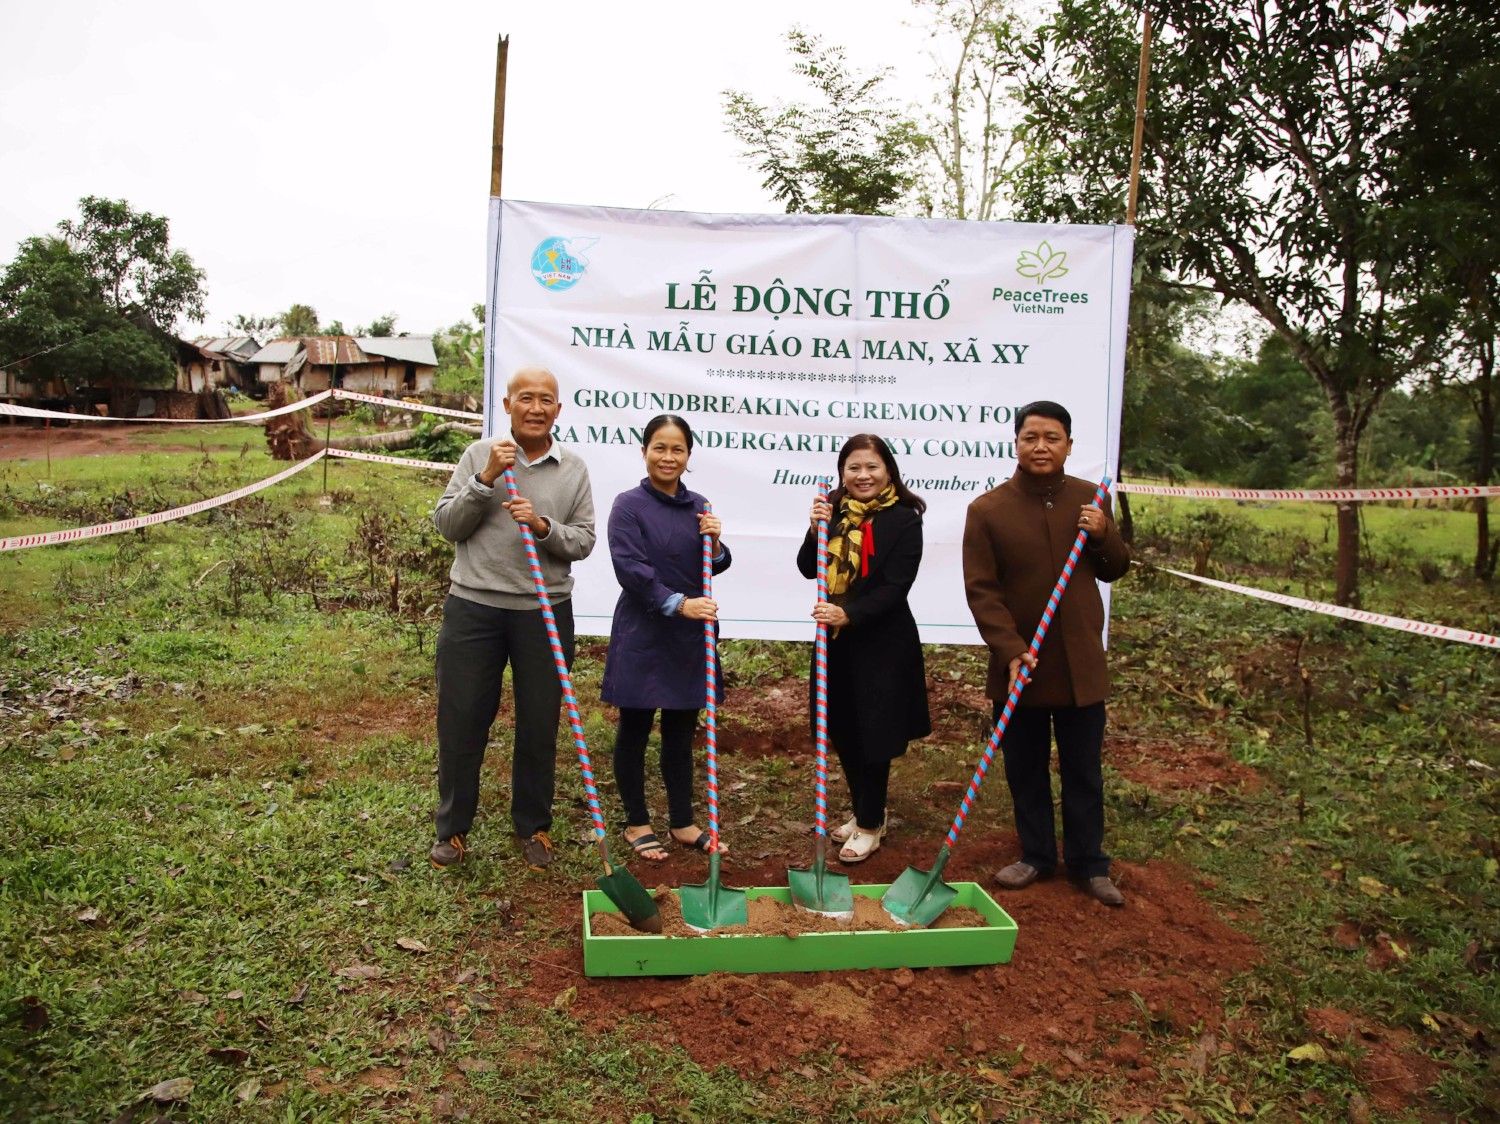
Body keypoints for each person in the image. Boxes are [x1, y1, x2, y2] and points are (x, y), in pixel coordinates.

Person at [962, 400, 1131, 906]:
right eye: (1031, 436)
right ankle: (1035, 854)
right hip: (1021, 668)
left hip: (1080, 666)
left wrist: (1102, 535)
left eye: (1052, 438)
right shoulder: (987, 510)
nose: (1041, 446)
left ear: (1069, 446)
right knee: (1025, 768)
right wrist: (1010, 649)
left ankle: (1088, 863)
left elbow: (1115, 568)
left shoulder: (1090, 501)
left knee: (1084, 770)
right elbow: (982, 591)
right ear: (1015, 443)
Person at [429, 366, 596, 871]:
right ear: (507, 406)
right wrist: (485, 483)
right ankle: (453, 830)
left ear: (558, 410)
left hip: (543, 611)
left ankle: (533, 827)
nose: (536, 407)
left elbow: (584, 541)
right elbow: (446, 524)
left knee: (539, 723)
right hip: (474, 608)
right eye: (526, 397)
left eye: (546, 399)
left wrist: (543, 527)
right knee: (461, 720)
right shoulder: (480, 456)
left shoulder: (573, 469)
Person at [601, 415, 730, 861]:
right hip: (644, 630)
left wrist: (717, 543)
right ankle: (636, 823)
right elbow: (631, 569)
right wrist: (678, 603)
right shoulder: (628, 505)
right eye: (660, 447)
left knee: (680, 730)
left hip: (689, 638)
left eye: (677, 450)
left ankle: (682, 822)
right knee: (635, 728)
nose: (668, 457)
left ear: (688, 456)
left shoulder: (700, 505)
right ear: (644, 451)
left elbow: (711, 565)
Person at [798, 434, 931, 864]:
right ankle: (864, 813)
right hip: (835, 646)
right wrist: (816, 529)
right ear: (842, 473)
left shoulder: (904, 519)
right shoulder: (833, 511)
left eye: (871, 467)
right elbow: (807, 567)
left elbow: (896, 586)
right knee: (842, 729)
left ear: (888, 470)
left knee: (874, 735)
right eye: (853, 467)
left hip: (882, 645)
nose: (863, 475)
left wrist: (848, 614)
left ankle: (871, 823)